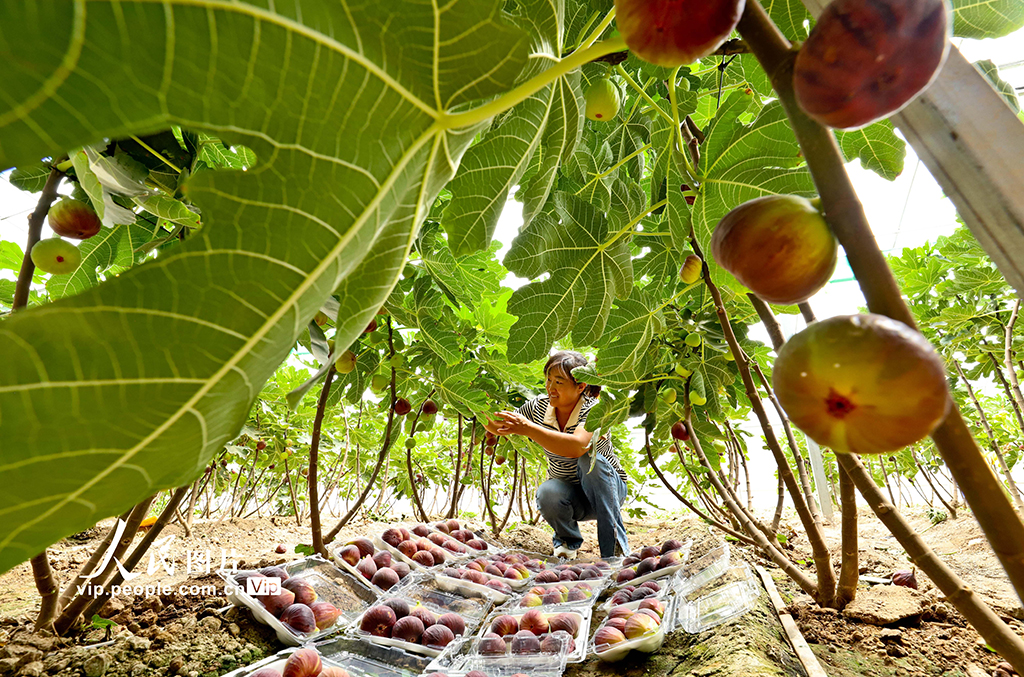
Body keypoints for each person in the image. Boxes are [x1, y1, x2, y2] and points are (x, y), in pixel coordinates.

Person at [485, 351, 629, 559]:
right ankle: (567, 543)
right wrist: (475, 407)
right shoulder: (539, 406)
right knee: (547, 492)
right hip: (571, 498)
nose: (550, 388)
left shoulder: (594, 410)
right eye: (549, 380)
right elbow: (501, 426)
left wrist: (529, 429)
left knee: (589, 460)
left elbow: (578, 446)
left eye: (559, 382)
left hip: (607, 492)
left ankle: (615, 551)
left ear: (581, 387)